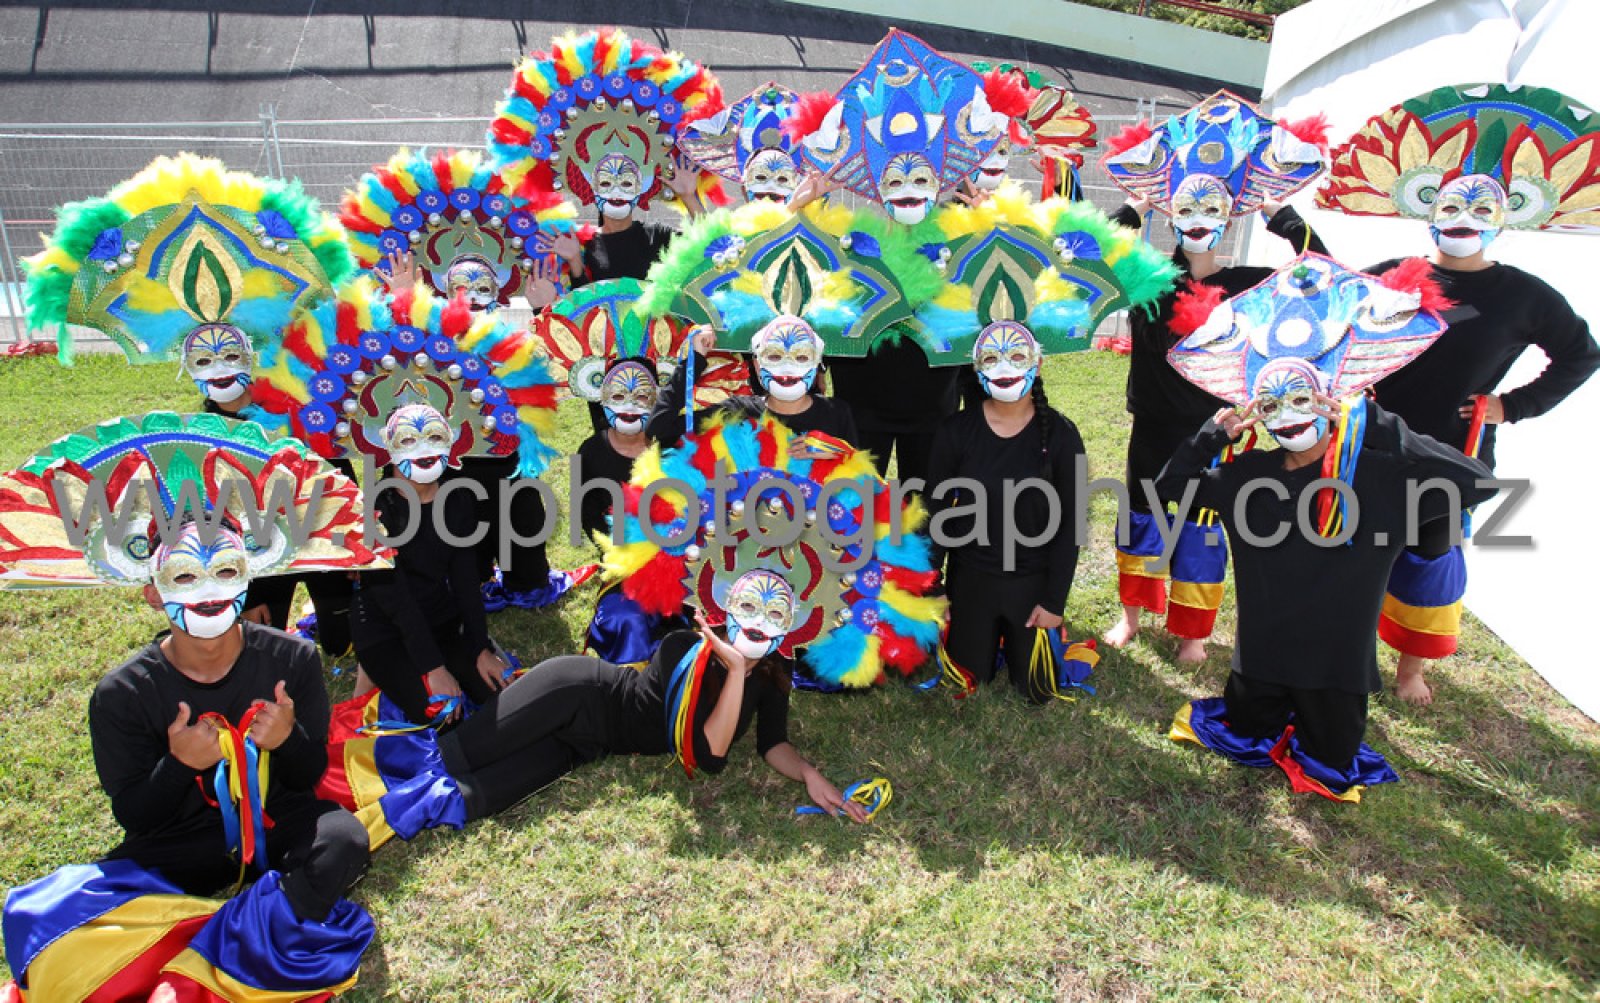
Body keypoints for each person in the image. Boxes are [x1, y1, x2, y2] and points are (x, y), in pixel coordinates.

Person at [1158, 251, 1494, 799]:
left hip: (1338, 673)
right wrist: (1210, 436)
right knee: (1247, 727)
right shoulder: (1247, 477)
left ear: (1330, 401)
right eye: (1271, 403)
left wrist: (1380, 427)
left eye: (1301, 397)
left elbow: (1478, 482)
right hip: (1260, 662)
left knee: (1332, 756)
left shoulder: (1379, 479)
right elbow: (1170, 489)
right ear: (1256, 412)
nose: (1288, 413)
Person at [1314, 83, 1600, 704]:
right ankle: (1341, 649)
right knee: (1354, 550)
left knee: (1429, 556)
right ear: (1428, 209)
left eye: (1478, 208)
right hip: (1370, 445)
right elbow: (1332, 323)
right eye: (1450, 205)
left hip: (1451, 452)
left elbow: (1582, 354)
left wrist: (1513, 406)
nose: (1462, 218)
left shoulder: (1526, 295)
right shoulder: (1393, 275)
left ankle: (1411, 670)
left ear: (1503, 218)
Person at [1099, 91, 1330, 663]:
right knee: (1142, 516)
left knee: (1201, 529)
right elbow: (1089, 253)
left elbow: (1320, 273)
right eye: (1187, 207)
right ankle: (1131, 616)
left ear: (1229, 217)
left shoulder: (1250, 282)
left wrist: (1283, 218)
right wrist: (1134, 206)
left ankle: (1193, 635)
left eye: (1211, 208)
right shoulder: (1147, 274)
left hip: (1215, 428)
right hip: (1152, 424)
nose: (1198, 218)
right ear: (1170, 214)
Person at [437, 614, 869, 822]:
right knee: (451, 757)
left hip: (586, 747)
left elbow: (772, 742)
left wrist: (808, 773)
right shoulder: (684, 646)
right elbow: (707, 755)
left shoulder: (774, 670)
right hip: (574, 693)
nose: (761, 619)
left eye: (776, 611)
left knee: (468, 800)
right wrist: (736, 669)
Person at [926, 322, 1085, 698]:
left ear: (1038, 364)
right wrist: (933, 587)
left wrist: (1054, 602)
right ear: (976, 367)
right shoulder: (955, 430)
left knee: (1035, 690)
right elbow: (933, 512)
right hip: (972, 577)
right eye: (991, 358)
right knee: (969, 678)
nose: (1004, 367)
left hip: (1032, 580)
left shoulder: (1062, 435)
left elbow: (1072, 524)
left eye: (1016, 356)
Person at [349, 403, 510, 724]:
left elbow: (465, 580)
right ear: (389, 447)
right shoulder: (373, 511)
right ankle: (373, 669)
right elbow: (398, 602)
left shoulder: (458, 497)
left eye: (434, 437)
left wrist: (479, 647)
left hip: (439, 619)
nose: (423, 449)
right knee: (442, 716)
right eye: (409, 440)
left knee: (499, 695)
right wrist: (433, 668)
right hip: (384, 628)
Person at [649, 319, 858, 447]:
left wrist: (837, 453)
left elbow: (860, 483)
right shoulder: (738, 412)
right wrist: (694, 361)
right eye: (774, 356)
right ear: (757, 365)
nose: (787, 368)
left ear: (816, 362)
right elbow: (659, 430)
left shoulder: (836, 413)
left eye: (801, 357)